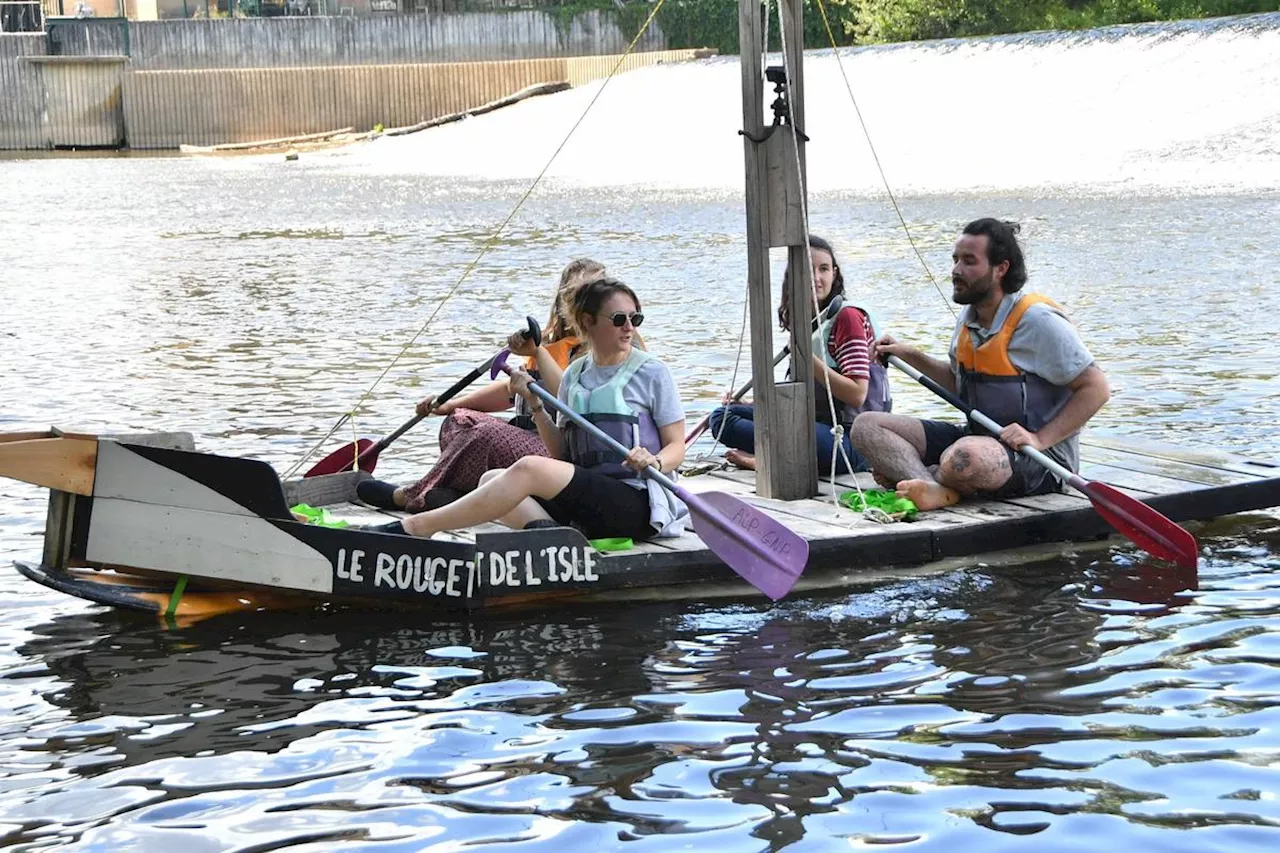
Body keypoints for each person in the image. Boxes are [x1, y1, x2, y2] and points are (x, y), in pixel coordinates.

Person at [366, 276, 689, 541]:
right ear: (588, 322)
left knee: (528, 468)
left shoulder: (652, 372)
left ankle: (417, 527)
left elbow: (677, 446)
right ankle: (551, 536)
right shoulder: (576, 374)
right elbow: (562, 454)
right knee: (490, 478)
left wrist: (656, 460)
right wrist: (535, 404)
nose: (629, 327)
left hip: (637, 503)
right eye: (620, 319)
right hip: (590, 502)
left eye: (636, 318)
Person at [850, 218, 1111, 511]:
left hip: (1037, 457)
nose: (956, 270)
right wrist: (909, 354)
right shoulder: (969, 318)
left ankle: (928, 476)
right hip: (976, 437)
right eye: (955, 260)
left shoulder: (1038, 322)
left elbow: (1097, 388)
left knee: (964, 458)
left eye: (969, 261)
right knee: (866, 426)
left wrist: (1039, 438)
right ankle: (933, 486)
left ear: (1001, 268)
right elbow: (957, 384)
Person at [356, 259, 603, 512]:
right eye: (576, 296)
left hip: (558, 452)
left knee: (484, 436)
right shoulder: (551, 340)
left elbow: (568, 397)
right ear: (564, 302)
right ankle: (459, 495)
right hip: (524, 434)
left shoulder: (603, 347)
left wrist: (538, 352)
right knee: (459, 421)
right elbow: (509, 392)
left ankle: (412, 496)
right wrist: (449, 404)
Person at [706, 235, 891, 474]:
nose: (816, 278)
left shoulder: (847, 317)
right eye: (806, 269)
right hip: (817, 426)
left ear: (834, 273)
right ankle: (778, 456)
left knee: (773, 430)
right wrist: (753, 404)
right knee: (724, 417)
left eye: (824, 269)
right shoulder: (811, 320)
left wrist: (806, 359)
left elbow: (857, 394)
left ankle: (767, 461)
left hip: (854, 442)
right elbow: (805, 395)